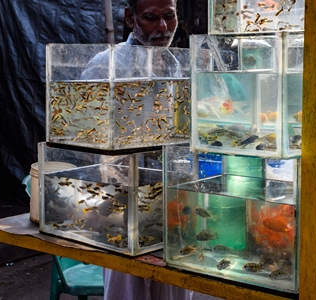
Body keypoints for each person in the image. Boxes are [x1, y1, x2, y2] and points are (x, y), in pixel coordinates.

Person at [100, 1, 193, 299]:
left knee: (177, 280)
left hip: (174, 195)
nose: (163, 27)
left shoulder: (177, 64)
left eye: (169, 16)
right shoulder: (107, 65)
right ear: (130, 18)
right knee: (129, 287)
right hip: (124, 200)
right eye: (151, 18)